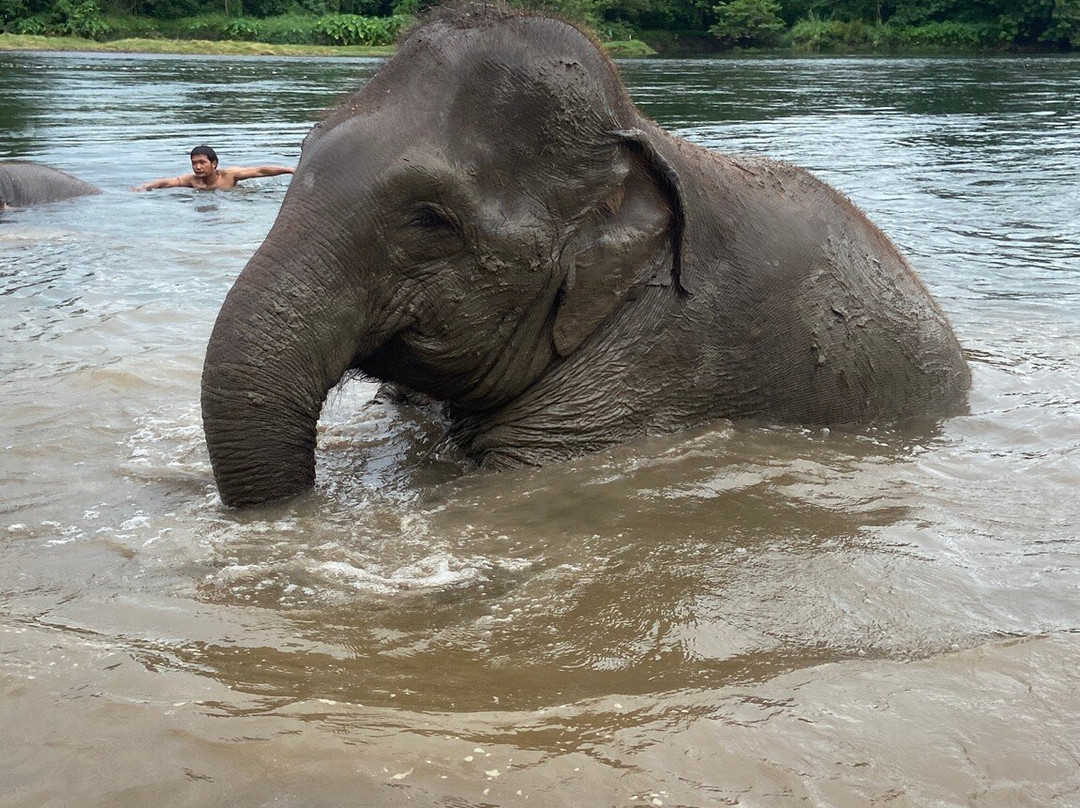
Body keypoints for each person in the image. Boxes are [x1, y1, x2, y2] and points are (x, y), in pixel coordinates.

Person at [133, 145, 294, 191]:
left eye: (202, 162)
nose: (197, 167)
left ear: (214, 163)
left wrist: (289, 170)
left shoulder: (229, 175)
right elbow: (166, 182)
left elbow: (260, 171)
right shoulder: (192, 181)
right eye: (194, 163)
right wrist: (144, 187)